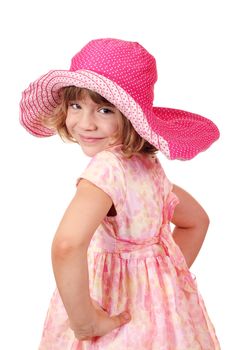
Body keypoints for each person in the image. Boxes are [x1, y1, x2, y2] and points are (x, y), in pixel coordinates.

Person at [20, 38, 221, 349]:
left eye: (104, 109)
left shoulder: (106, 169)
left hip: (110, 316)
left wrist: (85, 319)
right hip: (160, 320)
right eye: (76, 106)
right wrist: (164, 282)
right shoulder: (147, 165)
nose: (85, 123)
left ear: (131, 117)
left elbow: (67, 245)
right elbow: (196, 221)